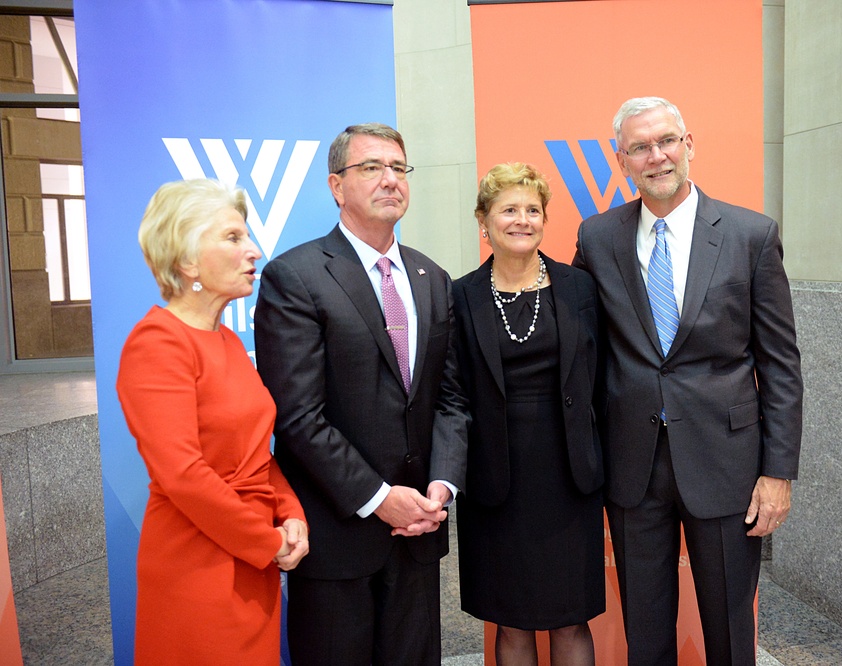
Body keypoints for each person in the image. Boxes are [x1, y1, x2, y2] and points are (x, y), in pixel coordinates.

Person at [573, 97, 803, 665]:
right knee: (644, 629)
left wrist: (778, 473)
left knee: (729, 625)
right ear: (621, 160)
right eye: (640, 147)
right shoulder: (599, 237)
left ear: (689, 144)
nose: (656, 156)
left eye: (666, 141)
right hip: (632, 465)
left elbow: (780, 365)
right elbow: (577, 340)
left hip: (727, 463)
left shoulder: (751, 234)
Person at [253, 122, 468, 666]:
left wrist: (440, 487)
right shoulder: (295, 276)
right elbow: (298, 417)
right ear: (336, 185)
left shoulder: (432, 277)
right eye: (371, 168)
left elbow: (450, 400)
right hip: (338, 536)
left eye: (399, 168)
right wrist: (378, 498)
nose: (389, 180)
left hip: (419, 529)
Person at [116, 178, 309, 664]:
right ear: (186, 260)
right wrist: (264, 539)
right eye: (233, 238)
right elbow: (182, 475)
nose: (254, 251)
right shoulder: (157, 344)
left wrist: (292, 515)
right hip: (197, 565)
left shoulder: (225, 341)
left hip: (253, 560)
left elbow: (254, 457)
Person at [449, 163, 604, 665]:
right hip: (495, 479)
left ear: (544, 218)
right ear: (484, 220)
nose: (522, 219)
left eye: (532, 210)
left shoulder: (580, 289)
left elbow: (600, 378)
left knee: (570, 616)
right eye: (508, 209)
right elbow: (450, 390)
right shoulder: (459, 295)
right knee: (510, 618)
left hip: (568, 475)